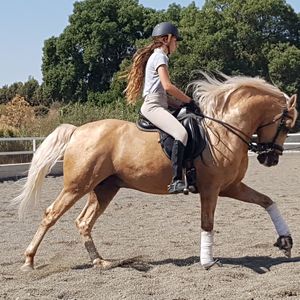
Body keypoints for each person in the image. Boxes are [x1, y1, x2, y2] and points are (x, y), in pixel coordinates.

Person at [125, 22, 194, 194]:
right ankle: (177, 180)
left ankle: (191, 175)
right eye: (175, 40)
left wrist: (180, 103)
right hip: (153, 107)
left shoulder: (157, 57)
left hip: (159, 104)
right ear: (166, 39)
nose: (176, 44)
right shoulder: (160, 57)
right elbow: (168, 86)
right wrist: (189, 100)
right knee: (181, 133)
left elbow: (163, 93)